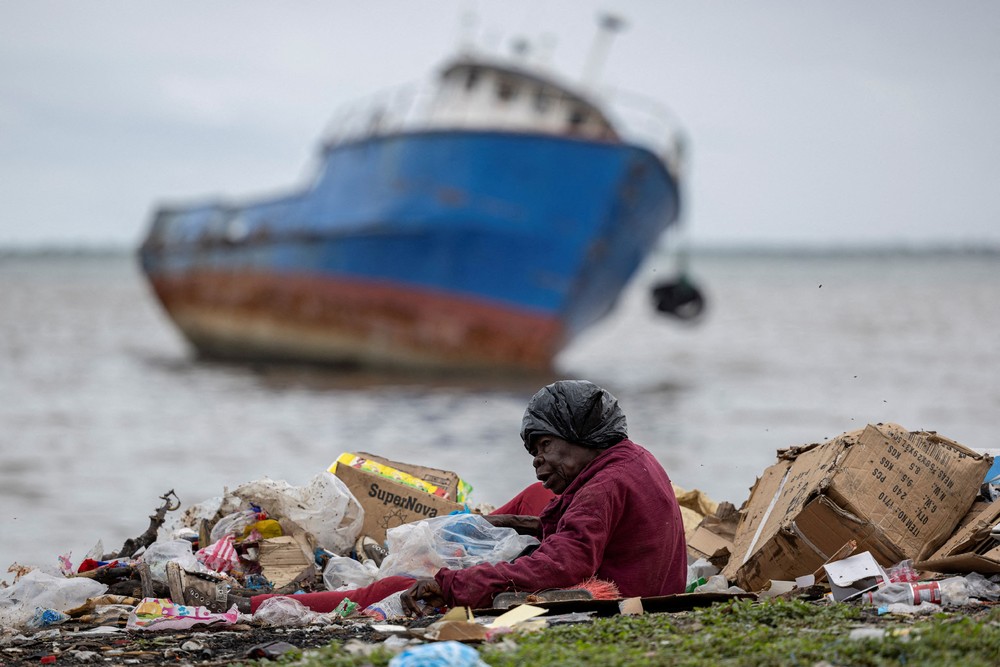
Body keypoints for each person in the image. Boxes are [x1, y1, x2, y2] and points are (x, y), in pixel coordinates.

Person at [218, 380, 686, 615]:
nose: (539, 462)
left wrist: (452, 583)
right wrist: (517, 526)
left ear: (577, 434)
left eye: (544, 447)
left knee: (390, 589)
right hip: (648, 584)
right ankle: (461, 531)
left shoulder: (600, 488)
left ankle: (253, 606)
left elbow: (562, 567)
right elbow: (577, 537)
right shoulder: (630, 460)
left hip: (614, 598)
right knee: (527, 502)